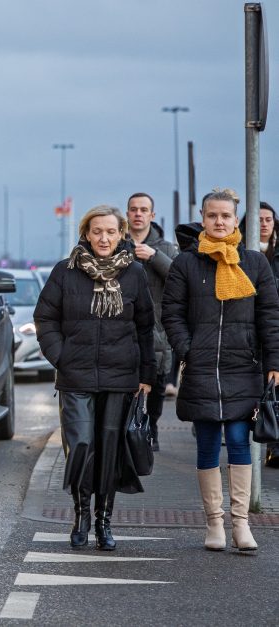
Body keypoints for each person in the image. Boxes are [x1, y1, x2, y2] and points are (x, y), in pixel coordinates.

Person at [162, 188, 279, 552]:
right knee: (209, 443)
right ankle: (214, 524)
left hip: (243, 366)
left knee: (241, 441)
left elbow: (270, 317)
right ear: (203, 217)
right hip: (201, 368)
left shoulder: (255, 263)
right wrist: (188, 349)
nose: (219, 222)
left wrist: (274, 362)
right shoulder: (186, 263)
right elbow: (172, 313)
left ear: (235, 219)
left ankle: (241, 524)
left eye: (225, 216)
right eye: (212, 216)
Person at [34, 205, 155, 551]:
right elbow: (45, 319)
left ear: (121, 235)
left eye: (111, 232)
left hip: (121, 378)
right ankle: (81, 513)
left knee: (109, 451)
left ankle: (104, 520)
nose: (104, 238)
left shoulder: (133, 274)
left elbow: (146, 327)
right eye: (97, 231)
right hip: (76, 377)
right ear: (86, 234)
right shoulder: (65, 271)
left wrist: (147, 373)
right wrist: (62, 357)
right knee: (82, 445)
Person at [126, 192, 179, 451]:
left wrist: (154, 256)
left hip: (158, 330)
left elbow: (180, 280)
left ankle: (153, 427)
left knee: (157, 386)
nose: (138, 214)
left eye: (143, 209)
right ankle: (129, 429)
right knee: (128, 383)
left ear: (152, 215)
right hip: (125, 329)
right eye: (134, 209)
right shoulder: (117, 244)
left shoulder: (166, 247)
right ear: (127, 214)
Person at [241, 201, 279, 468]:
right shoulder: (243, 255)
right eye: (258, 220)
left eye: (268, 219)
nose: (263, 224)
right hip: (250, 334)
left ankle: (274, 446)